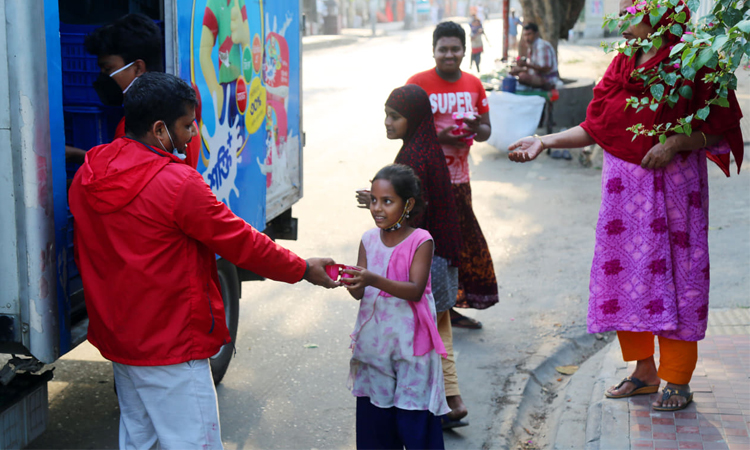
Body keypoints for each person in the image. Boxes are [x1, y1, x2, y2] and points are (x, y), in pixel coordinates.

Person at [69, 72, 339, 448]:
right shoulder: (177, 185)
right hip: (171, 344)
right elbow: (242, 243)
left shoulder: (89, 173)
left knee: (138, 439)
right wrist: (302, 268)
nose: (193, 132)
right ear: (159, 128)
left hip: (121, 340)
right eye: (186, 124)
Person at [508, 0, 743, 412]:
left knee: (678, 276)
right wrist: (544, 141)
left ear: (660, 16)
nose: (622, 21)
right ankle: (644, 372)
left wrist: (675, 143)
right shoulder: (623, 63)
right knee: (626, 278)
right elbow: (596, 125)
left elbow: (720, 128)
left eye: (633, 12)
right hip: (623, 203)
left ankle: (677, 380)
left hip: (675, 196)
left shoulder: (694, 60)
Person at [356, 84, 470, 428]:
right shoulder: (423, 146)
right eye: (386, 115)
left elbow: (411, 217)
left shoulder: (412, 157)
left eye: (395, 117)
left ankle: (433, 403)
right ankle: (451, 401)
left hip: (424, 259)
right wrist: (379, 199)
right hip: (441, 251)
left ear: (414, 119)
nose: (388, 123)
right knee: (440, 327)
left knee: (424, 334)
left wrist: (381, 213)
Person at [344, 164, 450, 450]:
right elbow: (361, 292)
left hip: (411, 351)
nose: (378, 208)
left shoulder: (420, 240)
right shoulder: (368, 239)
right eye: (374, 200)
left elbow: (415, 290)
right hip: (376, 348)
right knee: (376, 427)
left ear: (408, 204)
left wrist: (372, 278)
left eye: (387, 201)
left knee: (413, 424)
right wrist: (351, 282)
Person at [407, 21, 499, 329]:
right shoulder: (417, 83)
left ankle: (447, 308)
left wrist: (475, 128)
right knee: (424, 244)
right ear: (433, 51)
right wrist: (440, 136)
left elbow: (486, 131)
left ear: (465, 50)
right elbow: (402, 129)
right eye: (443, 49)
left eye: (455, 49)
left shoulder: (473, 84)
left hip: (458, 182)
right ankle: (419, 306)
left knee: (453, 247)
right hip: (422, 183)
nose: (449, 55)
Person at [81, 13, 201, 169]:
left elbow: (123, 181)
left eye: (108, 69)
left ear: (138, 68)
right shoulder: (182, 114)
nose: (103, 77)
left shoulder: (135, 128)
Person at [510, 22, 559, 90]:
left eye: (529, 34)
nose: (527, 38)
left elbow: (546, 68)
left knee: (522, 77)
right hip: (538, 76)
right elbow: (533, 68)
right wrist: (519, 69)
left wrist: (526, 65)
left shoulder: (542, 46)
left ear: (536, 34)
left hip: (548, 79)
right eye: (525, 35)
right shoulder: (532, 47)